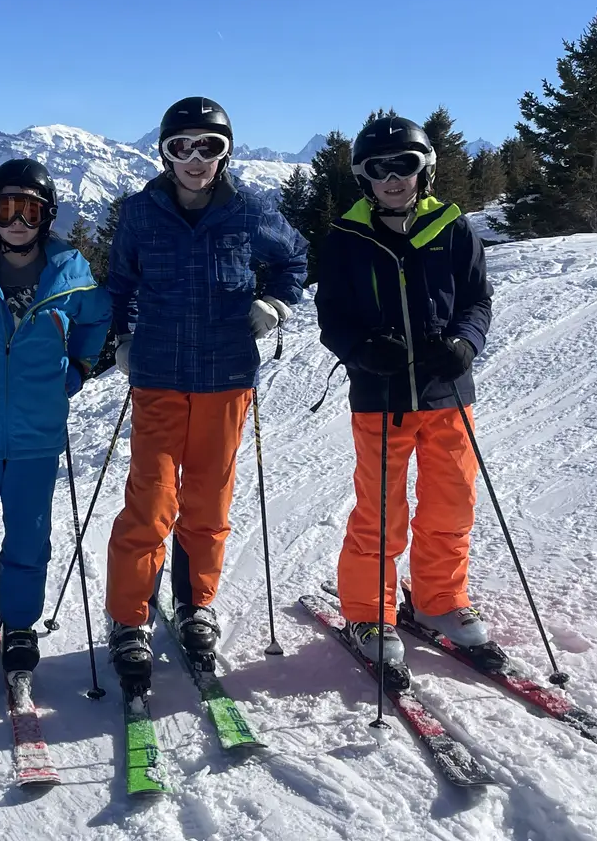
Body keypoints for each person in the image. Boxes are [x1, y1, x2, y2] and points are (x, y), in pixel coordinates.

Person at [105, 97, 308, 691]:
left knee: (209, 502)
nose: (195, 159)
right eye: (181, 147)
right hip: (159, 375)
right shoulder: (141, 213)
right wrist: (121, 336)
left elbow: (293, 258)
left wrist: (275, 302)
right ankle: (129, 616)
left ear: (226, 152)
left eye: (209, 147)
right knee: (151, 498)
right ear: (164, 152)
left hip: (225, 377)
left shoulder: (250, 209)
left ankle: (196, 605)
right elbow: (120, 282)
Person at [314, 115, 492, 683]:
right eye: (379, 169)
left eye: (405, 165)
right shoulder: (346, 237)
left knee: (452, 502)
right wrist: (361, 349)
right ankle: (370, 613)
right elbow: (331, 317)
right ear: (364, 178)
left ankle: (440, 598)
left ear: (425, 169)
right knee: (381, 510)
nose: (392, 178)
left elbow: (477, 301)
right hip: (381, 398)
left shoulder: (452, 228)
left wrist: (466, 343)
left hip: (446, 396)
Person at [0, 158, 110, 679]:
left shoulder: (71, 273)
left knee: (29, 537)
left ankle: (20, 625)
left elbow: (95, 319)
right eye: (7, 207)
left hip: (37, 434)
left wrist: (76, 367)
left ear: (47, 216)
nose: (17, 221)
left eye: (29, 210)